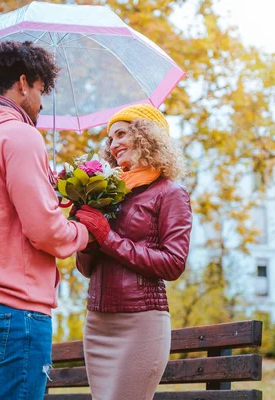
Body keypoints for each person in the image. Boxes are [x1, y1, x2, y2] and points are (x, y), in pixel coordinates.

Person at [0, 40, 89, 400]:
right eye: (42, 90)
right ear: (23, 83)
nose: (42, 102)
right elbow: (46, 233)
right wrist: (85, 230)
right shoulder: (21, 135)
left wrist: (47, 191)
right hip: (17, 308)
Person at [75, 104, 193, 400]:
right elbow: (86, 268)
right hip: (98, 324)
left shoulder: (170, 193)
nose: (113, 145)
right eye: (110, 139)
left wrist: (107, 237)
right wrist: (85, 232)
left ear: (147, 137)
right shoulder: (108, 193)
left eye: (121, 134)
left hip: (140, 321)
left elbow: (173, 263)